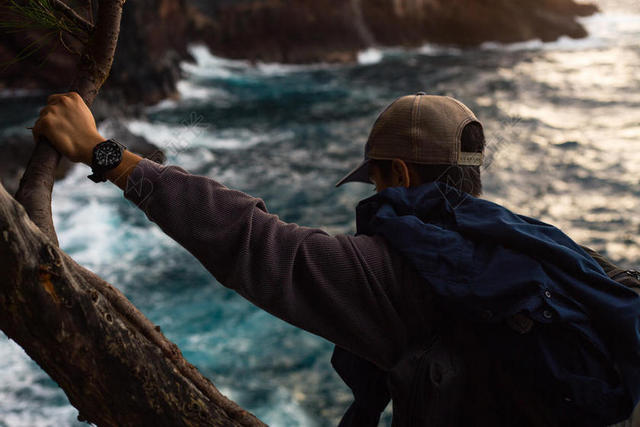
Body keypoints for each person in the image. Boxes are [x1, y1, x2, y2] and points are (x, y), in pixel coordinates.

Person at [33, 91, 640, 426]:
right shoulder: (538, 247)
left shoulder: (394, 271)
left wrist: (101, 151)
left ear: (396, 174)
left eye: (374, 180)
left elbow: (248, 239)